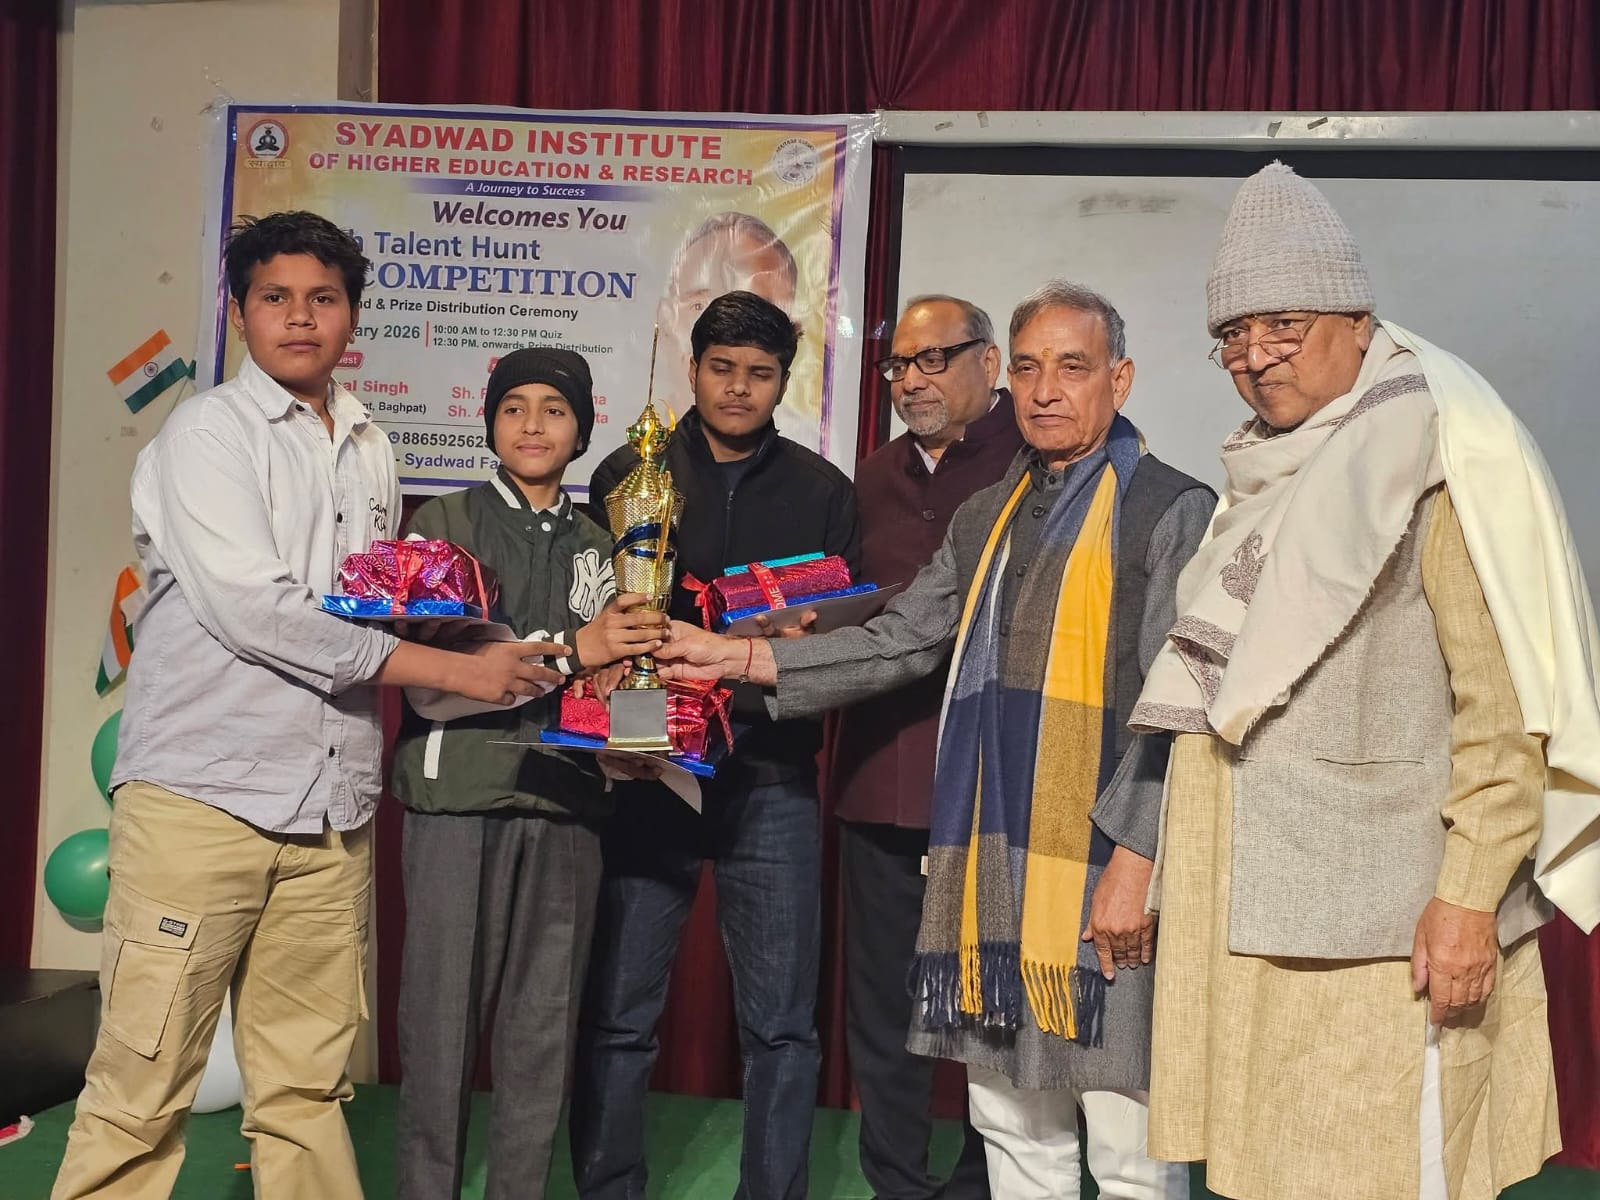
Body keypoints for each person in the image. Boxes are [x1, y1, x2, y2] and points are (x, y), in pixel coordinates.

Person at [657, 282, 1213, 1200]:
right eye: (1029, 368)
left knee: (1126, 1142)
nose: (1045, 390)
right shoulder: (987, 514)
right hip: (991, 868)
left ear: (1119, 379)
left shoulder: (1170, 509)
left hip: (1103, 867)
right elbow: (901, 639)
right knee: (1011, 1128)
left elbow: (1180, 708)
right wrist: (740, 655)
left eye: (1072, 368)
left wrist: (1137, 862)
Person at [51, 211, 565, 1200]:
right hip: (202, 799)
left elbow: (365, 605)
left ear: (351, 316)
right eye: (275, 297)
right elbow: (261, 613)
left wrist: (494, 651)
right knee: (141, 1088)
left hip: (331, 810)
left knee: (308, 1091)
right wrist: (453, 672)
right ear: (238, 312)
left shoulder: (369, 445)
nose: (299, 317)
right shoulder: (207, 434)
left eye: (322, 298)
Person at [1132, 162, 1600, 1200]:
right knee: (1269, 1176)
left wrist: (1468, 898)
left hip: (1385, 929)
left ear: (1354, 320)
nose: (1256, 357)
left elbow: (1503, 714)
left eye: (1283, 326)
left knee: (1386, 1173)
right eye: (1232, 336)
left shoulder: (1431, 457)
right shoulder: (1263, 470)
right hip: (1249, 919)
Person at [570, 290, 860, 1200]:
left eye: (760, 374)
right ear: (692, 370)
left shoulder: (823, 491)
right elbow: (590, 612)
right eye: (722, 368)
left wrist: (797, 642)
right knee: (620, 1012)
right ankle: (608, 1187)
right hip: (649, 764)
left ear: (784, 382)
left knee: (782, 1026)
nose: (738, 389)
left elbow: (843, 639)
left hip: (771, 772)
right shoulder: (629, 472)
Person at [390, 347, 671, 1200]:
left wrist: (634, 740)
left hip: (568, 805)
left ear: (582, 429)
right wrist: (579, 650)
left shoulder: (610, 546)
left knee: (542, 1034)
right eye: (514, 408)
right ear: (489, 425)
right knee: (440, 1027)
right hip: (457, 800)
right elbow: (435, 680)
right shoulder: (444, 523)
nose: (534, 425)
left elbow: (619, 677)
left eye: (555, 408)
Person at [834, 294, 1022, 1200]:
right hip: (881, 774)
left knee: (997, 1005)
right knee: (884, 1006)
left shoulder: (1038, 461)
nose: (912, 380)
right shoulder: (871, 476)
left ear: (990, 363)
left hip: (999, 785)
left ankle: (988, 1183)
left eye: (933, 359)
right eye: (899, 365)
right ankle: (896, 1184)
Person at [654, 212, 800, 423]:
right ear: (665, 318)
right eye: (699, 306)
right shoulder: (639, 443)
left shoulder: (806, 439)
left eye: (756, 312)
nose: (738, 387)